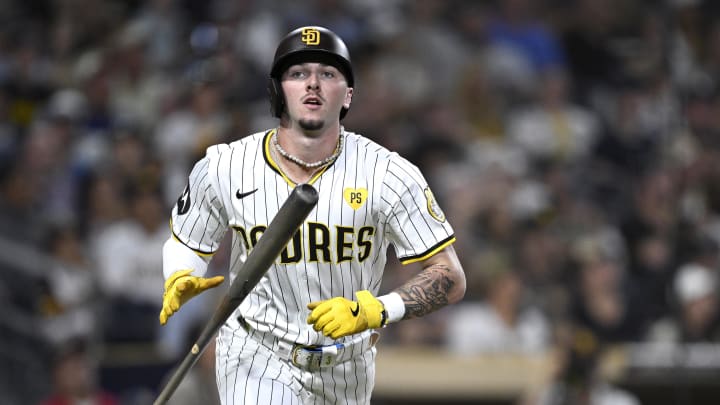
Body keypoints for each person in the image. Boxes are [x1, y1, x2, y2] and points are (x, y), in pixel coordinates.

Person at [157, 25, 466, 405]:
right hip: (256, 353)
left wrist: (376, 309)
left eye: (328, 74)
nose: (313, 84)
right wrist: (181, 272)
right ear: (277, 90)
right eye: (298, 73)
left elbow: (450, 277)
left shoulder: (388, 173)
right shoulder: (225, 165)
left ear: (348, 94)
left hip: (348, 367)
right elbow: (188, 241)